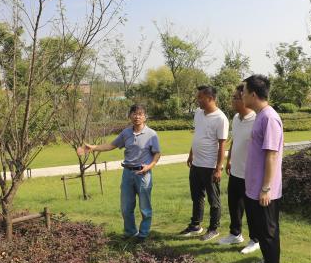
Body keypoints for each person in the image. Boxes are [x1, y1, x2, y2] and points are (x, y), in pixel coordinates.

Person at [77, 104, 161, 243]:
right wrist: (93, 147)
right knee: (126, 207)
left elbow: (157, 153)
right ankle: (130, 232)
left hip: (143, 174)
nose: (137, 117)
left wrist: (149, 166)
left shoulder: (151, 134)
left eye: (140, 114)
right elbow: (111, 145)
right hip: (127, 173)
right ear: (129, 116)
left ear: (145, 117)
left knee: (145, 207)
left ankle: (143, 234)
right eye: (134, 113)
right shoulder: (126, 133)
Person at [241, 75, 284, 263]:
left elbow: (272, 155)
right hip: (255, 188)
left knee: (269, 235)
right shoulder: (260, 116)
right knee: (263, 233)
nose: (241, 95)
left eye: (244, 91)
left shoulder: (269, 118)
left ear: (253, 94)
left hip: (265, 191)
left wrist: (266, 188)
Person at [180, 85, 229, 241]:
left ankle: (213, 229)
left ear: (210, 98)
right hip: (196, 164)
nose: (197, 100)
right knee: (196, 197)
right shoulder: (198, 113)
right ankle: (196, 225)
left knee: (213, 200)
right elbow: (197, 135)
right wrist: (191, 154)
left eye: (200, 98)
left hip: (210, 166)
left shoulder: (221, 118)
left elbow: (222, 145)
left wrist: (218, 168)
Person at [218, 84, 260, 255]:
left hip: (250, 174)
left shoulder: (257, 119)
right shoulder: (236, 118)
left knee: (251, 209)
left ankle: (255, 239)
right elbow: (235, 140)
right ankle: (235, 234)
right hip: (235, 171)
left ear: (245, 99)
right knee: (234, 205)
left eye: (236, 97)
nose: (232, 101)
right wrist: (229, 160)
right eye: (233, 97)